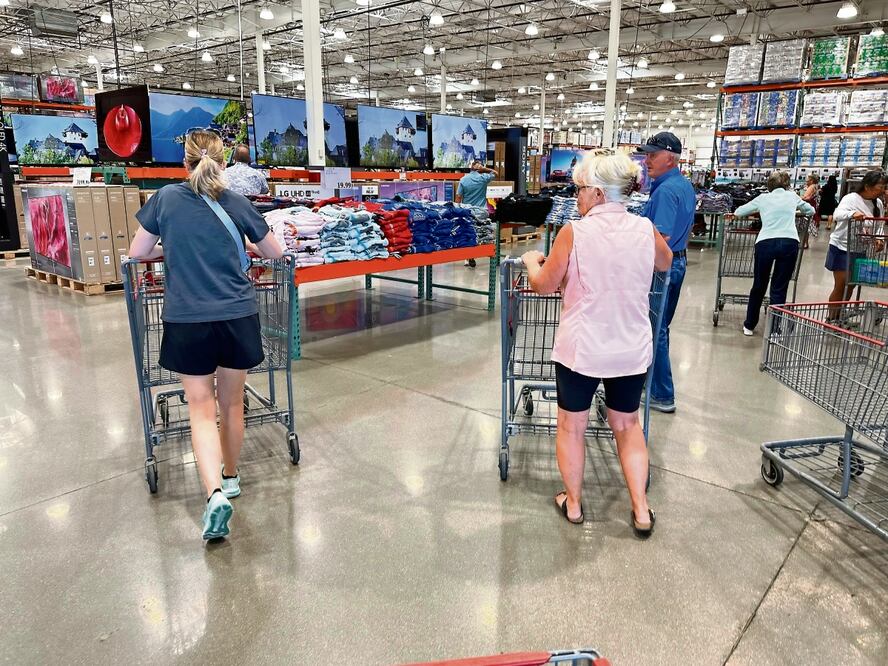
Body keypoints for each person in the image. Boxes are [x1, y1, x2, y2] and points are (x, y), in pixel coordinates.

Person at [128, 130, 283, 541]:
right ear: (224, 163)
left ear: (184, 161)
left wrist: (169, 250)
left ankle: (213, 493)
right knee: (232, 404)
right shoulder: (237, 202)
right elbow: (276, 253)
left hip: (187, 319)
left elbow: (137, 252)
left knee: (201, 407)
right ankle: (231, 477)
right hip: (236, 315)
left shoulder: (164, 199)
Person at [521, 150, 672, 538]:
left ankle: (573, 504)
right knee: (627, 425)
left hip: (582, 349)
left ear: (601, 193)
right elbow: (665, 262)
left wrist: (530, 262)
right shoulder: (644, 228)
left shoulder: (575, 232)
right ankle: (640, 509)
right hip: (630, 347)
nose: (578, 197)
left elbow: (543, 285)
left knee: (572, 426)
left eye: (582, 189)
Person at [636, 132, 695, 414]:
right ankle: (653, 384)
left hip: (663, 268)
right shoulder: (682, 185)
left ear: (669, 158)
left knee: (654, 330)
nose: (647, 160)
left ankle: (661, 393)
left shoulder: (665, 191)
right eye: (646, 154)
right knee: (660, 327)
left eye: (652, 155)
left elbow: (662, 238)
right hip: (678, 262)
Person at [730, 171, 814, 337]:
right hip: (789, 242)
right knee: (779, 288)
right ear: (786, 185)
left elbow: (739, 212)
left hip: (765, 242)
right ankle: (775, 329)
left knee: (759, 285)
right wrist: (796, 211)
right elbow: (810, 210)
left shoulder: (763, 198)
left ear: (769, 185)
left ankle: (749, 325)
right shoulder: (792, 196)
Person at [826, 170, 887, 315]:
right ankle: (831, 318)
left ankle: (839, 315)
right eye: (881, 186)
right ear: (868, 186)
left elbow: (878, 226)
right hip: (842, 247)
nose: (883, 190)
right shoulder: (851, 198)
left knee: (851, 285)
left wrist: (879, 239)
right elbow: (837, 215)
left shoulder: (878, 204)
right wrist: (852, 214)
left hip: (860, 249)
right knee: (841, 285)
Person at [456, 161, 497, 267]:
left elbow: (458, 197)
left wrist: (457, 211)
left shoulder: (463, 180)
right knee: (483, 234)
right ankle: (489, 253)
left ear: (470, 168)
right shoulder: (483, 178)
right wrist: (485, 169)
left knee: (468, 234)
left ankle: (469, 257)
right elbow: (495, 173)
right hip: (481, 212)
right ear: (480, 169)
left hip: (468, 212)